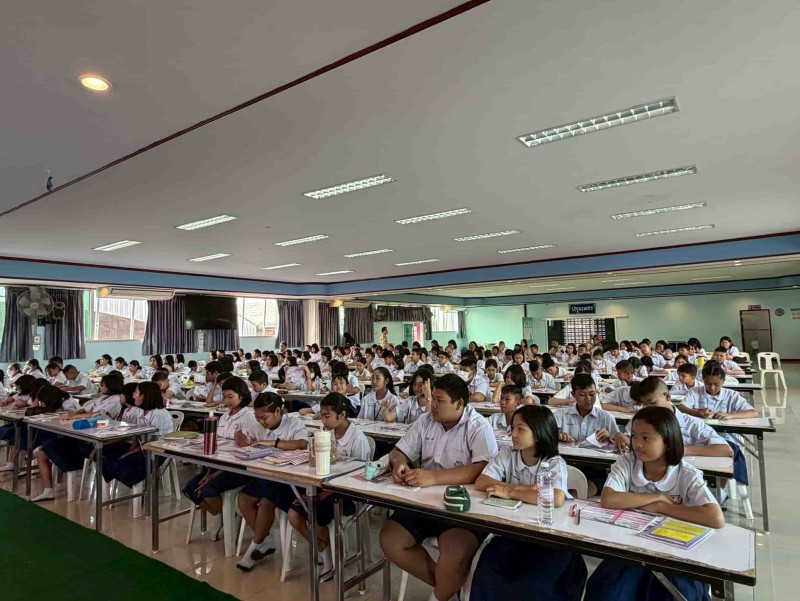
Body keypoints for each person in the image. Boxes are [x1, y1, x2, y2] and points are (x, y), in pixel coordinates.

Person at [584, 407, 724, 601]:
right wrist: (657, 497)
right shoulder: (627, 462)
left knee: (673, 594)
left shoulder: (686, 473)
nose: (637, 444)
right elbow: (609, 499)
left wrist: (661, 507)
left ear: (667, 441)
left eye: (646, 438)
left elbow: (715, 517)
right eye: (634, 436)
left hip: (675, 554)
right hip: (631, 550)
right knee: (607, 593)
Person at [379, 374, 498, 601]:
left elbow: (482, 469)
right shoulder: (426, 421)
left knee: (455, 553)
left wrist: (433, 478)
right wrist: (400, 463)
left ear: (459, 404)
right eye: (432, 398)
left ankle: (439, 595)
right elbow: (399, 451)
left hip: (463, 507)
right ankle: (448, 586)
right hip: (425, 500)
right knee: (390, 539)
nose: (432, 404)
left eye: (439, 400)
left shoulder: (478, 426)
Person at [472, 405, 586, 601]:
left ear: (539, 433)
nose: (513, 434)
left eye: (521, 429)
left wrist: (508, 492)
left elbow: (556, 498)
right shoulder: (507, 454)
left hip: (548, 538)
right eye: (513, 428)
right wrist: (526, 490)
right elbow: (482, 481)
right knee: (488, 571)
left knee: (532, 583)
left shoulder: (553, 462)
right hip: (513, 532)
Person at [288, 392, 372, 579]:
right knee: (294, 513)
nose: (323, 420)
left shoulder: (357, 439)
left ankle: (329, 559)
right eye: (322, 416)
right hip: (325, 486)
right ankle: (324, 550)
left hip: (349, 493)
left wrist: (322, 495)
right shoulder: (327, 434)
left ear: (342, 415)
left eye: (327, 416)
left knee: (315, 510)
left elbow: (359, 479)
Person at [236, 394, 309, 571]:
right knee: (244, 498)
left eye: (264, 417)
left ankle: (255, 546)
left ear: (277, 411)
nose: (261, 422)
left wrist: (273, 443)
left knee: (266, 502)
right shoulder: (258, 424)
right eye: (257, 418)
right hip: (267, 474)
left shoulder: (293, 423)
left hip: (289, 479)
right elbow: (240, 433)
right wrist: (242, 440)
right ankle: (266, 539)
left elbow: (302, 444)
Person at [182, 378, 260, 540]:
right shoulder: (224, 417)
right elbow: (217, 445)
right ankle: (221, 514)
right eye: (224, 397)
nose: (227, 401)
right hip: (218, 465)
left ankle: (227, 514)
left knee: (207, 491)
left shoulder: (248, 418)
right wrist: (209, 472)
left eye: (230, 396)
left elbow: (245, 452)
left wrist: (214, 475)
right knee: (190, 489)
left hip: (237, 468)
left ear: (241, 395)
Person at [101, 381, 174, 489]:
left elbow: (152, 442)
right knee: (108, 456)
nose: (133, 395)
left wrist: (129, 454)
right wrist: (130, 451)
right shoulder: (141, 411)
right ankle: (109, 482)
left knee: (122, 464)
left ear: (143, 396)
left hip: (157, 450)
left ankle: (138, 489)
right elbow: (138, 436)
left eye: (135, 392)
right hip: (143, 447)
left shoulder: (158, 413)